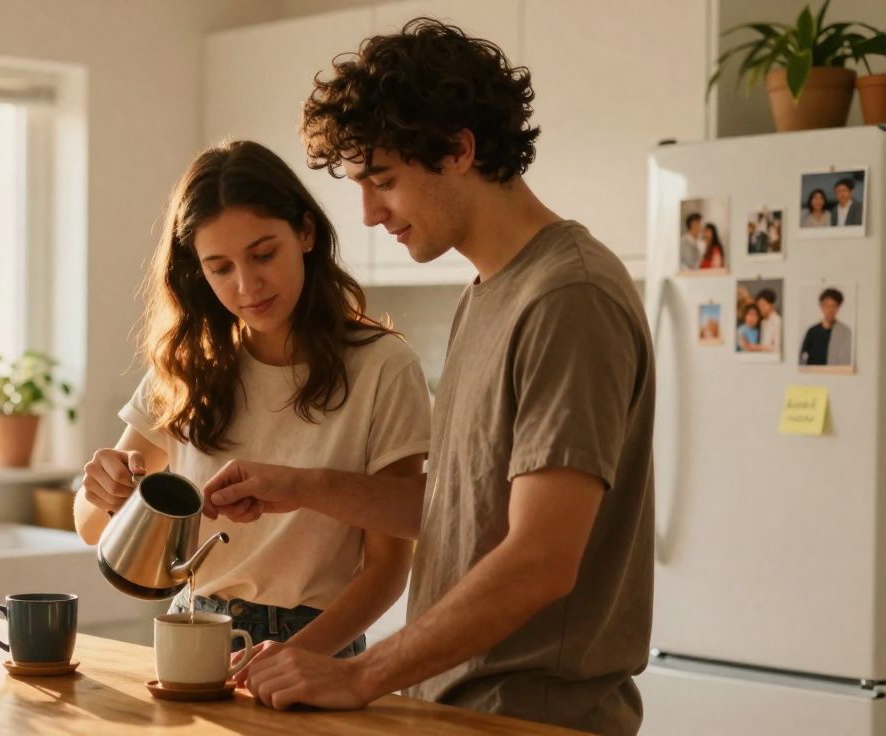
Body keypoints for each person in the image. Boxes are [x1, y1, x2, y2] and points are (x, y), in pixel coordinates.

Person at [200, 18, 655, 735]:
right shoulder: (488, 292)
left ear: (458, 148)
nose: (371, 213)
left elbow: (541, 559)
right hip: (458, 707)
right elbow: (467, 513)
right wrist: (301, 486)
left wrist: (361, 674)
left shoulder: (569, 297)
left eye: (383, 181)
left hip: (536, 718)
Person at [73, 140, 431, 659]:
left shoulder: (383, 367)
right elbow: (88, 526)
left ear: (305, 232)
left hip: (317, 647)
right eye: (220, 268)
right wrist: (102, 489)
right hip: (193, 632)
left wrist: (300, 655)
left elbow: (388, 567)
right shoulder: (188, 366)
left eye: (264, 254)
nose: (248, 285)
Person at [799, 287, 852, 366]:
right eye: (827, 306)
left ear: (838, 307)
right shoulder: (812, 332)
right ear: (822, 307)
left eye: (833, 306)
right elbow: (802, 358)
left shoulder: (845, 332)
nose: (830, 309)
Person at [755, 288, 782, 354]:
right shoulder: (763, 322)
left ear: (771, 305)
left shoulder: (778, 321)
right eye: (759, 306)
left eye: (763, 305)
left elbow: (778, 348)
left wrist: (758, 347)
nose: (760, 308)